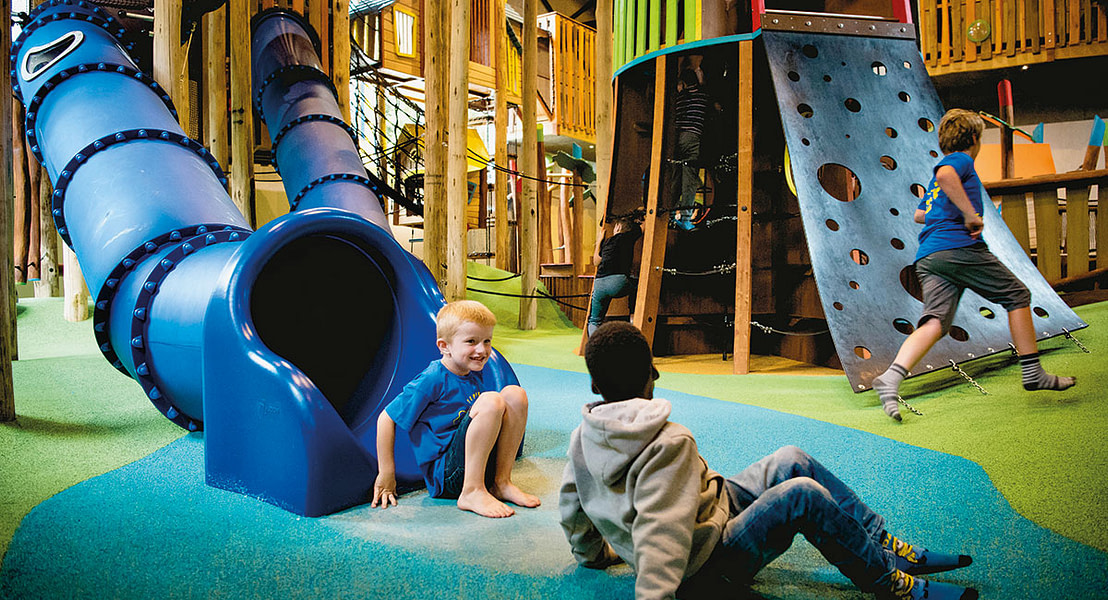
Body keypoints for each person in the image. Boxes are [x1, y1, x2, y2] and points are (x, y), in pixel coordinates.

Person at [559, 322, 977, 600]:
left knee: (791, 459)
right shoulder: (669, 441)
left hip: (711, 513)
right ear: (652, 374)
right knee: (803, 495)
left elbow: (572, 511)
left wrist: (593, 556)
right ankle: (886, 580)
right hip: (704, 567)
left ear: (595, 384)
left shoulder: (581, 438)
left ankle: (880, 542)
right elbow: (661, 532)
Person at [872, 109, 1075, 421]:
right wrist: (969, 214)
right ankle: (1033, 372)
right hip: (959, 248)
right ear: (975, 139)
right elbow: (946, 175)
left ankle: (891, 377)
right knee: (1017, 295)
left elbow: (919, 214)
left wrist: (950, 210)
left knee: (936, 323)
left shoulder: (936, 181)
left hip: (929, 256)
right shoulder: (960, 161)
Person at [373, 300, 540, 518]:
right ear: (445, 346)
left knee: (515, 395)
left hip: (477, 463)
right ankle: (472, 492)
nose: (482, 350)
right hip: (448, 475)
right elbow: (386, 418)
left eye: (487, 341)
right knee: (491, 401)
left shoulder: (472, 372)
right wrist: (387, 473)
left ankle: (501, 482)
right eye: (471, 341)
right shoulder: (433, 378)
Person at [587, 215, 643, 336]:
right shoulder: (628, 237)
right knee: (640, 285)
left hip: (599, 283)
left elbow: (596, 262)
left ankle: (594, 344)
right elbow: (642, 228)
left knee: (594, 320)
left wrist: (599, 240)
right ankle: (633, 316)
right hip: (618, 282)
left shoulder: (607, 242)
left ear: (617, 227)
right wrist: (638, 218)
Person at [672, 67, 710, 230]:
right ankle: (685, 217)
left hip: (676, 138)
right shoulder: (701, 95)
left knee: (675, 177)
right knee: (689, 179)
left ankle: (670, 212)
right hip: (692, 137)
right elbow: (703, 84)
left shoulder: (680, 98)